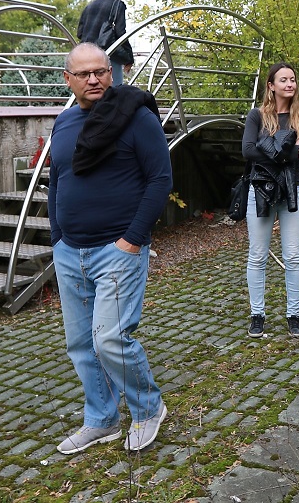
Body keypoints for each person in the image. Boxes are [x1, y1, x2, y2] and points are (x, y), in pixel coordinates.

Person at [49, 43, 172, 454]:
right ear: (68, 80)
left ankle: (148, 408)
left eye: (101, 71)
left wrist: (132, 240)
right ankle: (101, 420)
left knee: (110, 339)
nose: (94, 79)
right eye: (83, 74)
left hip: (118, 250)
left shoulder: (135, 118)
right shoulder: (63, 124)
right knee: (81, 344)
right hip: (70, 252)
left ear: (111, 73)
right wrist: (56, 239)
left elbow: (159, 180)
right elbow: (57, 181)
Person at [242, 62, 299, 338]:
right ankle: (257, 314)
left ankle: (293, 314)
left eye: (292, 79)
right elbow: (247, 150)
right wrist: (286, 150)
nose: (289, 84)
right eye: (283, 80)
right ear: (271, 85)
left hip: (293, 189)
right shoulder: (256, 116)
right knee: (257, 256)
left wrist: (269, 146)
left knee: (293, 256)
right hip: (260, 190)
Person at [77, 0, 134, 86]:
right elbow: (120, 33)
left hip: (87, 56)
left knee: (92, 94)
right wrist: (129, 58)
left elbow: (80, 33)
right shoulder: (118, 5)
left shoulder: (88, 8)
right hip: (107, 55)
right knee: (113, 92)